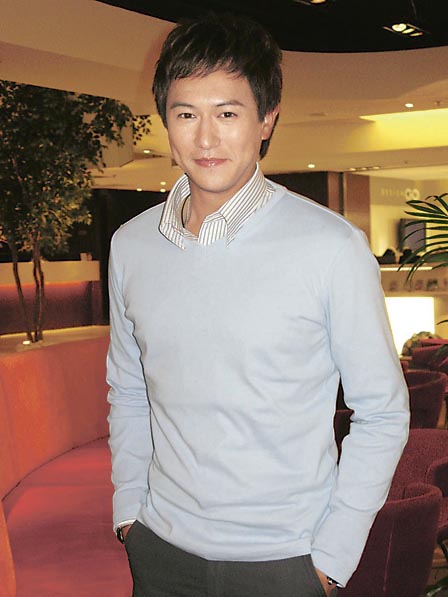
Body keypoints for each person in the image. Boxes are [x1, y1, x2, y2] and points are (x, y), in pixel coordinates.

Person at [107, 13, 409, 597]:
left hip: (286, 560)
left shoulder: (331, 247)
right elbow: (129, 386)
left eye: (227, 113)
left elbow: (382, 411)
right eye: (186, 114)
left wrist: (331, 557)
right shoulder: (131, 245)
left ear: (267, 119)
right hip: (160, 550)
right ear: (166, 119)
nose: (205, 138)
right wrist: (129, 509)